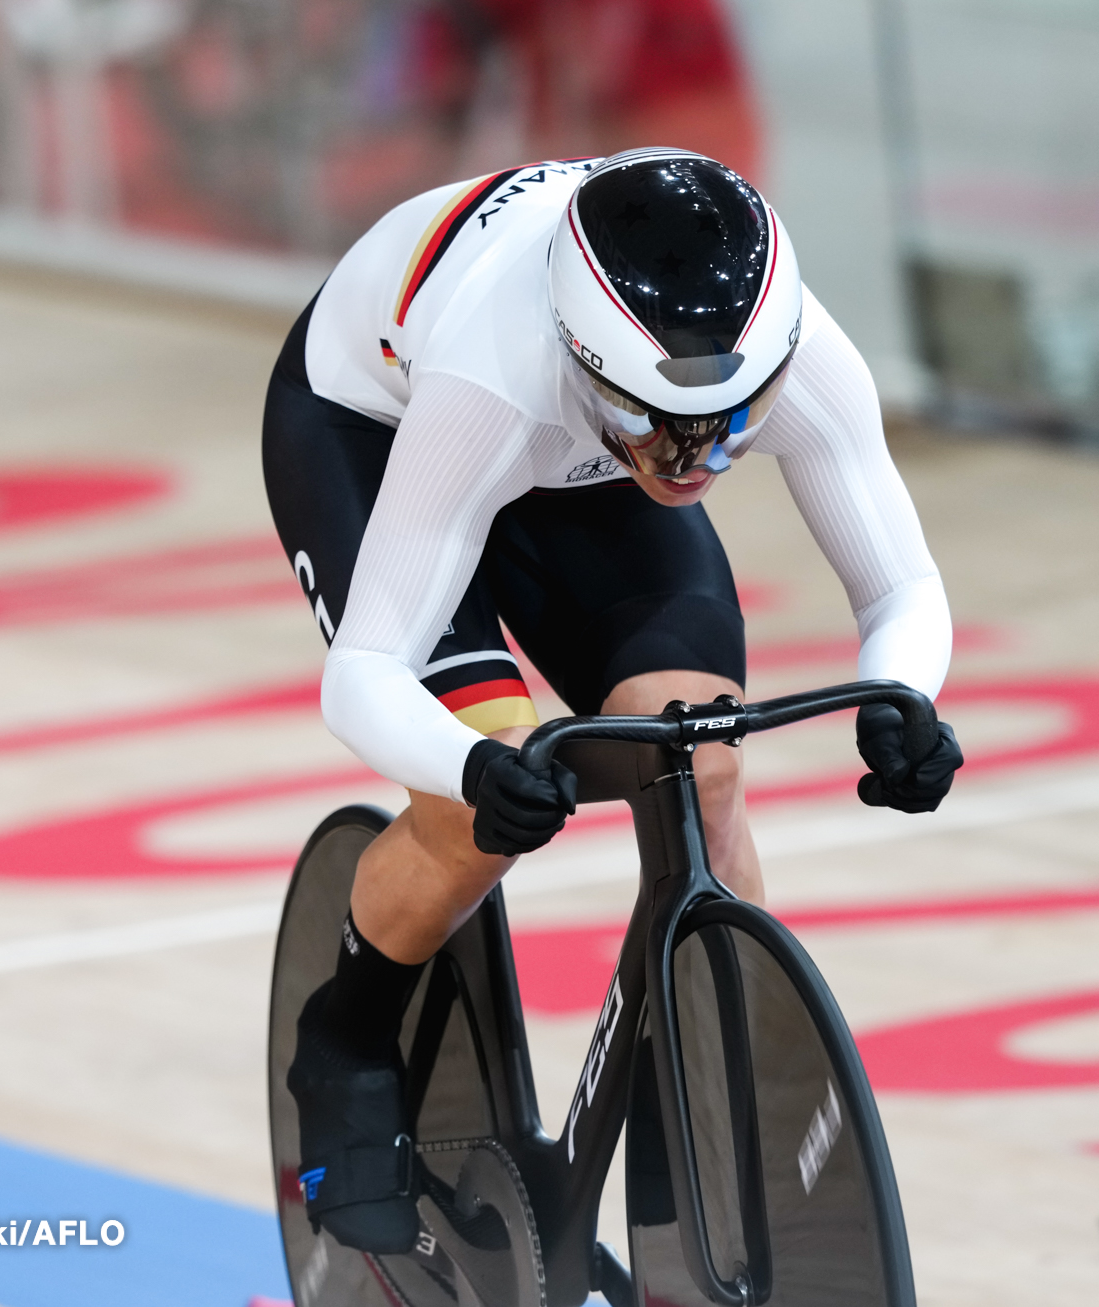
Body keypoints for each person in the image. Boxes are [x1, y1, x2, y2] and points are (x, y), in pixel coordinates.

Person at [263, 148, 962, 1252]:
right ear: (587, 362)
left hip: (578, 454)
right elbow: (362, 678)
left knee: (705, 763)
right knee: (472, 812)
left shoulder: (780, 354)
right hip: (380, 430)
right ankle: (341, 1033)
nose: (699, 460)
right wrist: (478, 768)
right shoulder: (492, 382)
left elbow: (900, 584)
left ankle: (710, 1080)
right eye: (667, 427)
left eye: (733, 426)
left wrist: (906, 698)